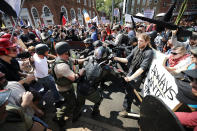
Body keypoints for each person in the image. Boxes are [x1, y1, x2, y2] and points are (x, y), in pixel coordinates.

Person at [114, 33, 154, 116]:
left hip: (138, 76)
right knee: (129, 90)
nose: (139, 42)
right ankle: (132, 97)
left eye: (141, 41)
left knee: (129, 92)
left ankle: (126, 110)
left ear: (146, 42)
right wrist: (116, 58)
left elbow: (142, 69)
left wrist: (131, 78)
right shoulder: (137, 48)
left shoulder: (149, 52)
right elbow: (127, 59)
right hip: (131, 71)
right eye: (138, 40)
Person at [52, 42, 84, 129]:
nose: (68, 53)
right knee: (70, 104)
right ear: (64, 52)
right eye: (67, 52)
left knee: (71, 101)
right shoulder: (62, 66)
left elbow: (75, 61)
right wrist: (81, 72)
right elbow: (75, 78)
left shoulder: (64, 58)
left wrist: (86, 60)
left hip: (67, 87)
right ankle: (58, 117)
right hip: (64, 89)